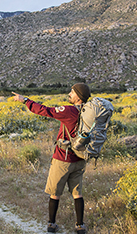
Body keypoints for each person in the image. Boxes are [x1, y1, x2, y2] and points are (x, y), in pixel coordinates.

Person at [12, 83, 91, 234]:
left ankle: (51, 224)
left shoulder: (68, 110)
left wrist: (25, 100)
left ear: (79, 96)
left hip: (63, 158)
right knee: (77, 193)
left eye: (72, 92)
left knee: (55, 193)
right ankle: (80, 226)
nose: (69, 94)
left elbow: (44, 110)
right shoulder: (89, 111)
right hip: (80, 158)